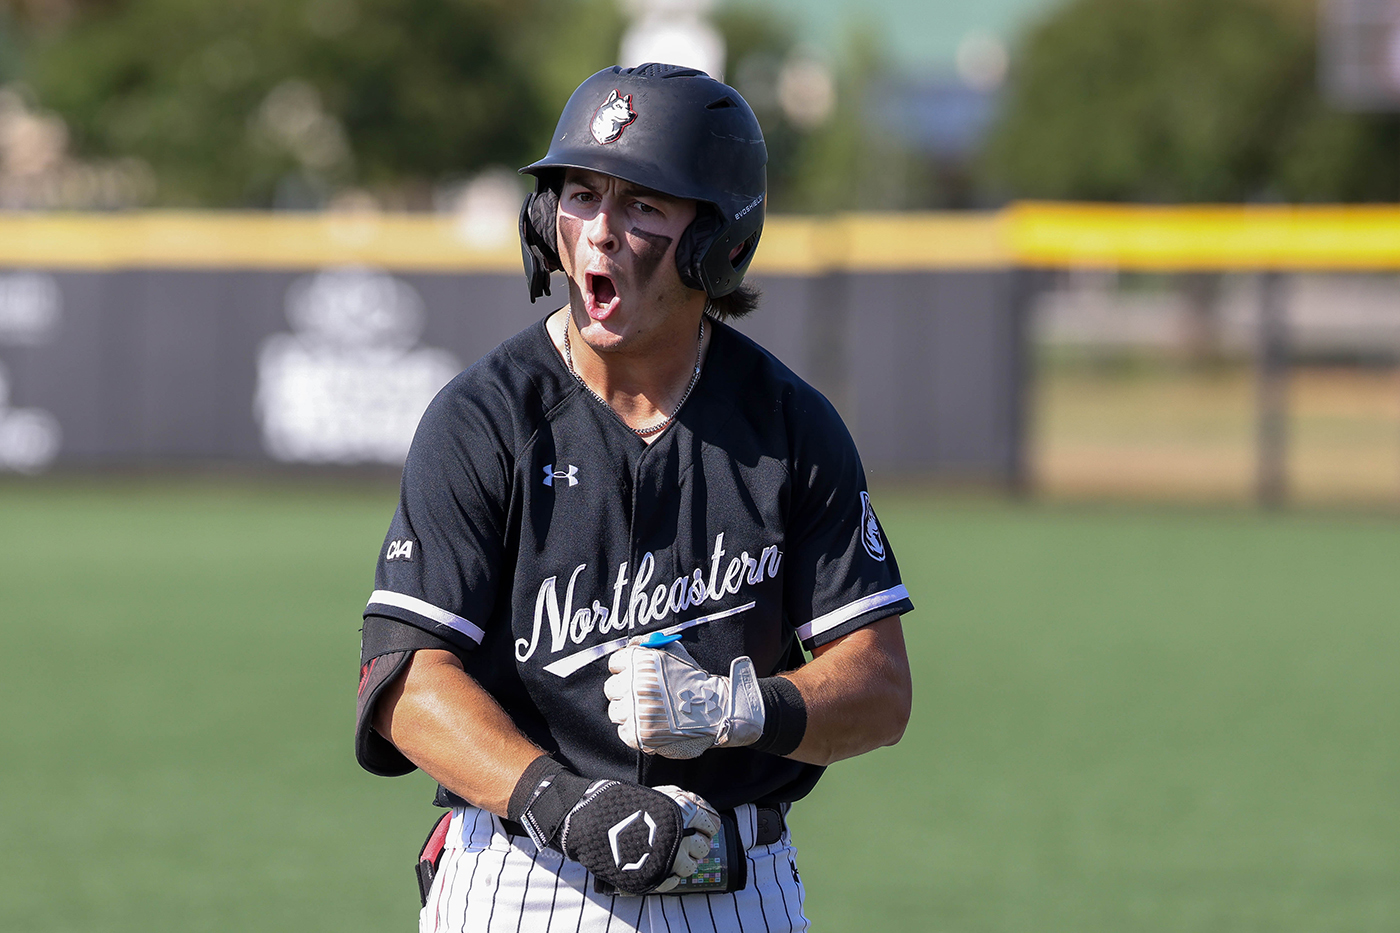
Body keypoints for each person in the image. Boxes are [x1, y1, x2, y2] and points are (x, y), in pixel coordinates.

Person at [355, 62, 914, 933]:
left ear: (717, 241)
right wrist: (562, 803)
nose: (598, 234)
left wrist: (741, 707)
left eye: (643, 205)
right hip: (522, 877)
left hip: (737, 886)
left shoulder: (790, 426)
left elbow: (880, 688)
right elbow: (404, 683)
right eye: (578, 194)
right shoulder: (485, 417)